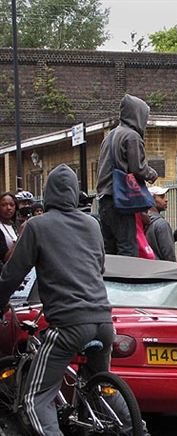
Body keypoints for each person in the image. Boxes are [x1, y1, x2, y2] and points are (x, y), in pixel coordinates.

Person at [0, 164, 115, 435]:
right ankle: (133, 427)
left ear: (48, 192)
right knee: (102, 389)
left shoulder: (37, 226)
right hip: (104, 320)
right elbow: (99, 267)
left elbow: (13, 274)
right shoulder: (92, 223)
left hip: (69, 325)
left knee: (34, 398)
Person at [96, 94, 158, 257]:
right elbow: (137, 167)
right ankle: (127, 282)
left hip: (104, 201)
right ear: (138, 115)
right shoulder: (132, 136)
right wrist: (151, 174)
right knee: (127, 248)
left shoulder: (109, 136)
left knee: (110, 250)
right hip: (120, 201)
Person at [146, 186, 176, 262]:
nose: (166, 200)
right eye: (162, 197)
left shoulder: (141, 221)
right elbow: (169, 254)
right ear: (151, 200)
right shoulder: (161, 224)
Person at [0, 192, 17, 269]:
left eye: (12, 205)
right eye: (4, 205)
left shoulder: (14, 225)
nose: (9, 208)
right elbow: (5, 259)